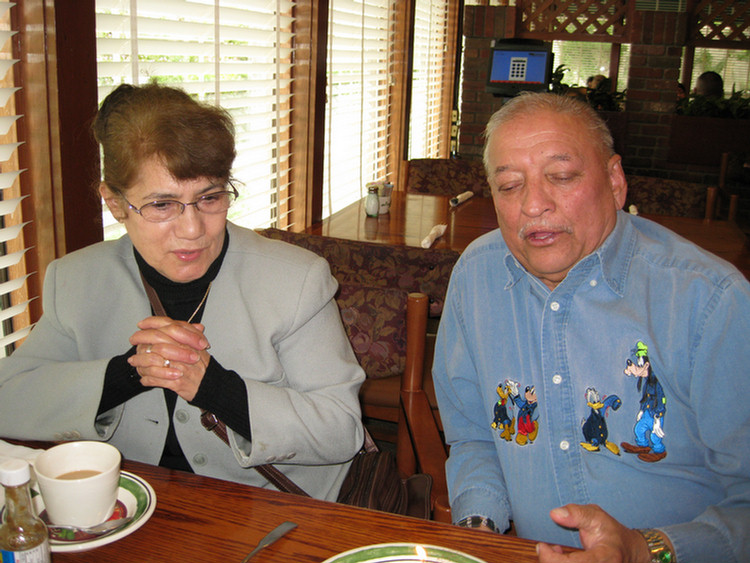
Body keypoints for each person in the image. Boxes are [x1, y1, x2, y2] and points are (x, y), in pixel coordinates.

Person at [0, 83, 365, 501]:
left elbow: (343, 429)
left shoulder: (298, 279)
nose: (193, 231)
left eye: (209, 197)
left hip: (267, 508)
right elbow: (8, 400)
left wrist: (214, 388)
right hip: (130, 505)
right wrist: (127, 373)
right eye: (161, 205)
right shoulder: (76, 279)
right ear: (115, 203)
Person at [432, 92, 750, 562]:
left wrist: (646, 549)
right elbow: (475, 435)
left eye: (561, 177)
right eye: (509, 185)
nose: (534, 205)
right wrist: (479, 531)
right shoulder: (477, 275)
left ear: (616, 181)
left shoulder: (709, 299)